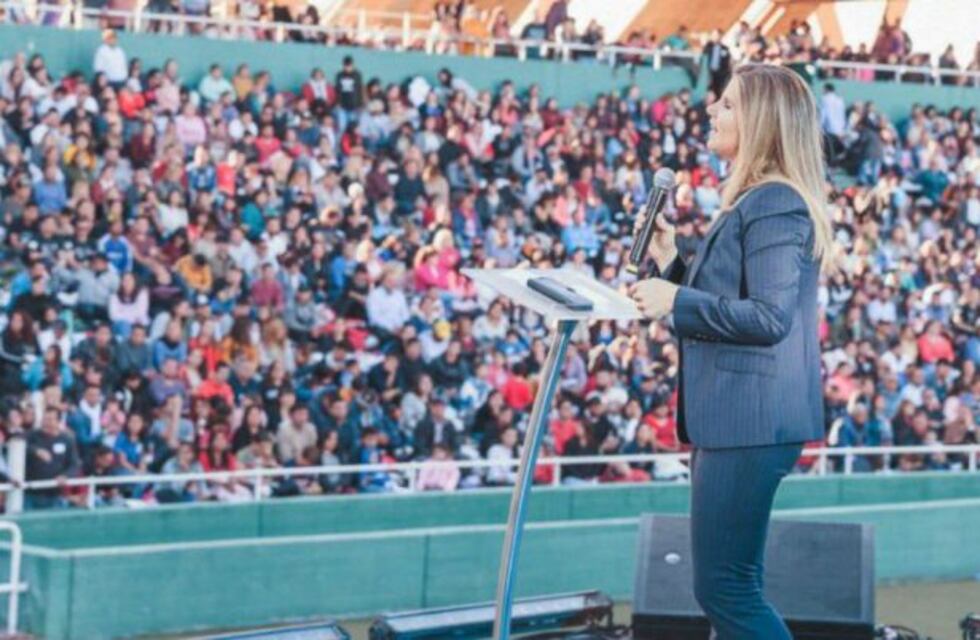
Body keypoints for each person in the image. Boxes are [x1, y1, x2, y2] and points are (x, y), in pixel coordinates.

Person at [629, 64, 833, 639]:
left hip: (749, 423)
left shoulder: (774, 203)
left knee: (725, 588)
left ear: (761, 120)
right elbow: (724, 303)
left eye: (727, 105)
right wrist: (673, 266)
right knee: (731, 585)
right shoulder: (755, 201)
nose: (712, 111)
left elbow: (768, 318)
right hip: (739, 422)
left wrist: (674, 297)